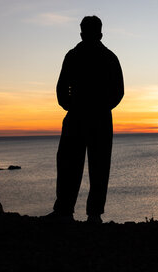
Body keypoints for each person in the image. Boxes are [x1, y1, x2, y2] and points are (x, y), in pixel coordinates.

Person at [48, 15, 124, 224]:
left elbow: (118, 91)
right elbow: (118, 92)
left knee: (82, 164)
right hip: (88, 117)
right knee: (79, 163)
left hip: (86, 116)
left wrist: (77, 106)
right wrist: (77, 106)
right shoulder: (100, 56)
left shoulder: (97, 57)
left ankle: (79, 212)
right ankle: (79, 212)